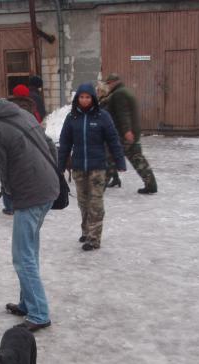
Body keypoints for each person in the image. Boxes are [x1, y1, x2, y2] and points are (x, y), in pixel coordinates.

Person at [0, 85, 59, 332]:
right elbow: (50, 145)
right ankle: (28, 303)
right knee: (29, 251)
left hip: (31, 195)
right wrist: (48, 176)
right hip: (46, 189)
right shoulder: (21, 112)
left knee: (22, 256)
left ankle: (39, 314)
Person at [58, 83, 126, 251]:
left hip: (97, 168)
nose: (84, 100)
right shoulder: (71, 118)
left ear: (93, 99)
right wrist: (59, 166)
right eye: (81, 97)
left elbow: (113, 140)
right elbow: (65, 143)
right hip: (79, 167)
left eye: (88, 97)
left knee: (95, 203)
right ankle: (86, 230)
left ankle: (94, 239)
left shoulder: (103, 117)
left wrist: (120, 161)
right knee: (83, 202)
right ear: (77, 99)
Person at [104, 73, 157, 194]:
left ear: (113, 82)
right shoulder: (126, 91)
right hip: (133, 132)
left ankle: (99, 186)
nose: (108, 86)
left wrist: (127, 131)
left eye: (108, 83)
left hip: (123, 134)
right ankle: (151, 184)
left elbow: (123, 114)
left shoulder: (119, 94)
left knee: (110, 157)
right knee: (138, 159)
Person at [1, 84, 44, 216]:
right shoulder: (32, 107)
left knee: (7, 176)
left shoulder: (8, 107)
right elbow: (38, 123)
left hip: (11, 145)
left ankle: (9, 206)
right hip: (29, 146)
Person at [95, 81, 121, 189]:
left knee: (107, 157)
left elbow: (105, 119)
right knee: (109, 156)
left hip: (108, 133)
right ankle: (115, 179)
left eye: (97, 91)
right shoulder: (102, 101)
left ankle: (104, 182)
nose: (96, 92)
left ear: (102, 92)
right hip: (107, 132)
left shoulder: (105, 103)